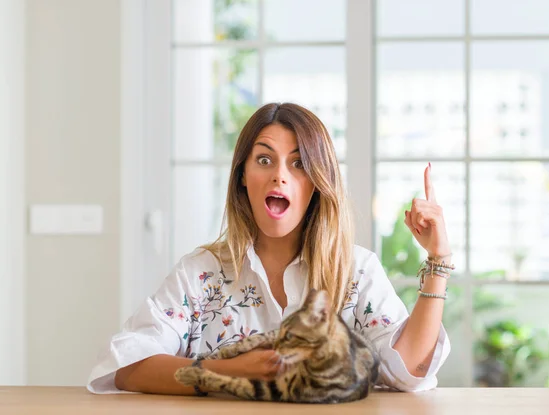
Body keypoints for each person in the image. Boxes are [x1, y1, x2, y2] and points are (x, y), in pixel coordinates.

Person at [87, 102, 452, 395]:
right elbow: (128, 367)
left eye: (299, 164)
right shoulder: (199, 273)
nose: (279, 175)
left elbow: (407, 372)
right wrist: (226, 371)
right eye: (264, 160)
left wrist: (438, 261)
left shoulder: (357, 269)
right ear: (243, 176)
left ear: (317, 184)